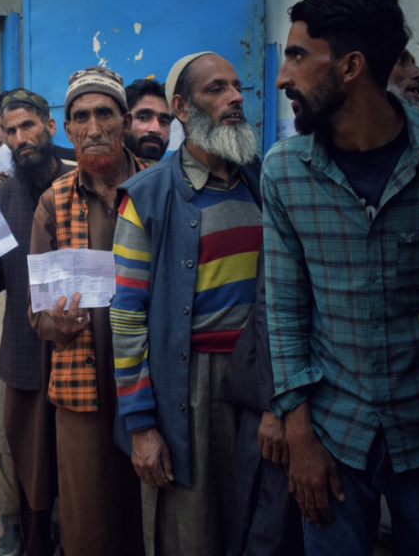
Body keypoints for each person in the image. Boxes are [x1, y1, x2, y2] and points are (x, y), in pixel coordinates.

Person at [266, 0, 419, 554]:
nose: (282, 79)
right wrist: (299, 436)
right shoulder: (284, 171)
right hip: (332, 432)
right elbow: (285, 310)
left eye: (297, 57)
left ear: (351, 67)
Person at [111, 52, 261, 555]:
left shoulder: (262, 184)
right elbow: (127, 316)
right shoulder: (148, 195)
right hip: (190, 386)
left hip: (261, 381)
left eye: (237, 87)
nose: (235, 98)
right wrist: (141, 426)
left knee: (258, 523)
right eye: (216, 89)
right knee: (191, 532)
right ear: (181, 107)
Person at [29, 66, 147, 556]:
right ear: (69, 127)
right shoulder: (53, 203)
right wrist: (56, 324)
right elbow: (38, 315)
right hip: (81, 388)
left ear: (125, 121)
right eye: (81, 116)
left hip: (151, 383)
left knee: (155, 511)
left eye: (104, 113)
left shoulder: (158, 187)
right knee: (89, 523)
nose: (93, 127)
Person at [0, 89, 73, 556]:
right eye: (11, 131)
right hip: (24, 353)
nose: (21, 137)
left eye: (28, 126)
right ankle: (30, 538)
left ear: (50, 126)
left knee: (76, 459)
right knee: (28, 460)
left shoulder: (79, 182)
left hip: (79, 345)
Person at [123, 78, 173, 161]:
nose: (156, 129)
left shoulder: (180, 173)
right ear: (124, 122)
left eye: (164, 122)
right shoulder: (99, 172)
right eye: (143, 118)